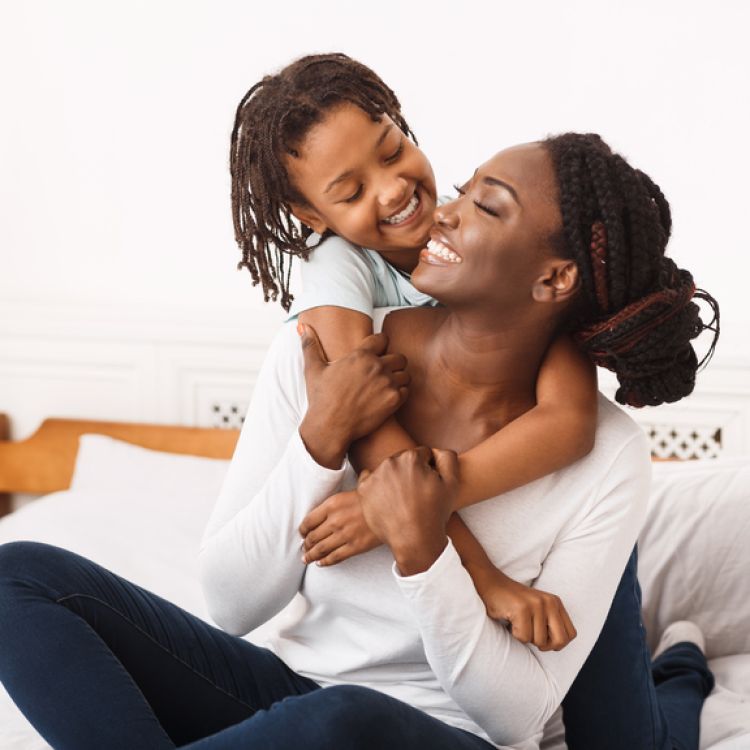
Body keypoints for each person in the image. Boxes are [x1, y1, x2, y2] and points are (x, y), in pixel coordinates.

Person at [0, 134, 718, 749]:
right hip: (281, 695)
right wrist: (320, 442)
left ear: (555, 277)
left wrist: (422, 546)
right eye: (463, 190)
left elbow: (514, 716)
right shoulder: (324, 354)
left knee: (344, 722)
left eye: (486, 207)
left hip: (432, 732)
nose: (445, 212)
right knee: (18, 576)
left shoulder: (606, 452)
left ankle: (681, 667)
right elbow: (230, 604)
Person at [231, 54, 598, 651]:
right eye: (350, 192)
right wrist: (487, 581)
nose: (395, 188)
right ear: (310, 216)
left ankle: (680, 666)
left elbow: (571, 419)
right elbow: (364, 420)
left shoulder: (479, 241)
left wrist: (392, 507)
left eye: (392, 150)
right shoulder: (335, 274)